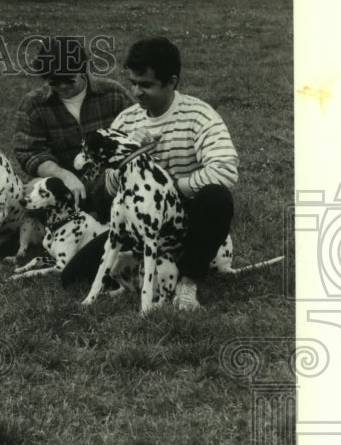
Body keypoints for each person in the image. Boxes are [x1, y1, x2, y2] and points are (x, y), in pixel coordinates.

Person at [61, 36, 239, 310]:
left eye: (146, 85)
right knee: (71, 278)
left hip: (187, 221)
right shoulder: (127, 120)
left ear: (171, 82)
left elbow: (225, 171)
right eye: (132, 83)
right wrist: (127, 157)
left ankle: (187, 283)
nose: (136, 92)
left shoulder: (199, 116)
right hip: (140, 224)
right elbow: (108, 190)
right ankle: (148, 271)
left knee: (217, 197)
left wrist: (171, 188)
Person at [14, 36, 133, 222]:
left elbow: (135, 137)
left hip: (111, 183)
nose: (62, 87)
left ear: (83, 70)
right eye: (54, 82)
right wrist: (62, 175)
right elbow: (29, 152)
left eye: (69, 80)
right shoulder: (33, 104)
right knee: (29, 192)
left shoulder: (114, 94)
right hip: (63, 185)